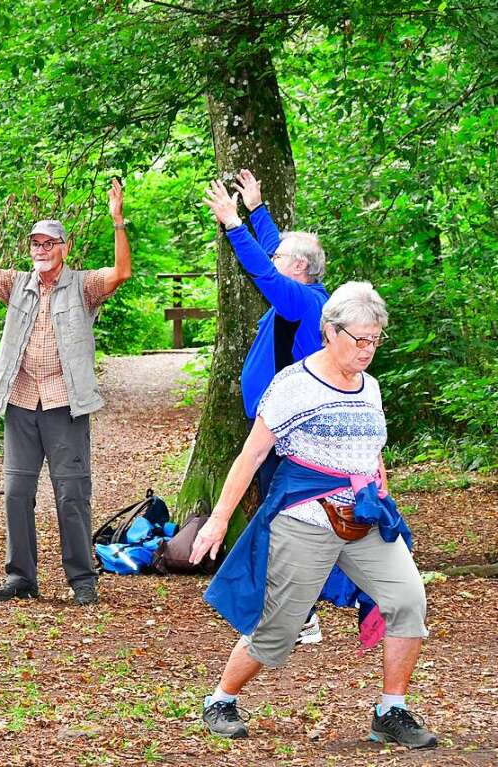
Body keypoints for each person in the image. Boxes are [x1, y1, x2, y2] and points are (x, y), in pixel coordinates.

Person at [189, 282, 436, 749]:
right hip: (306, 519)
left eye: (375, 339)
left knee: (408, 601)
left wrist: (382, 485)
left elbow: (372, 449)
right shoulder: (294, 385)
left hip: (364, 520)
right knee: (281, 626)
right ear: (329, 331)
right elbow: (252, 454)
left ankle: (391, 710)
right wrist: (219, 518)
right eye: (359, 339)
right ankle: (220, 699)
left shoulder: (371, 388)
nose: (368, 350)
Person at [0, 179, 131, 606]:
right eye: (34, 243)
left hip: (65, 404)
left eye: (48, 243)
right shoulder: (16, 283)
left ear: (63, 247)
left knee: (71, 493)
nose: (40, 250)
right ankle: (21, 576)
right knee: (17, 493)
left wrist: (118, 222)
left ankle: (82, 579)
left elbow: (121, 273)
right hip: (21, 402)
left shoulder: (82, 285)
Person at [204, 170, 330, 645]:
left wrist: (236, 225)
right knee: (286, 518)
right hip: (276, 428)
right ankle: (300, 612)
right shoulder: (300, 291)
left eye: (282, 259)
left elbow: (263, 268)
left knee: (287, 520)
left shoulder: (301, 299)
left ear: (297, 267)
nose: (275, 259)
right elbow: (276, 254)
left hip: (285, 433)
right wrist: (257, 210)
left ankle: (301, 615)